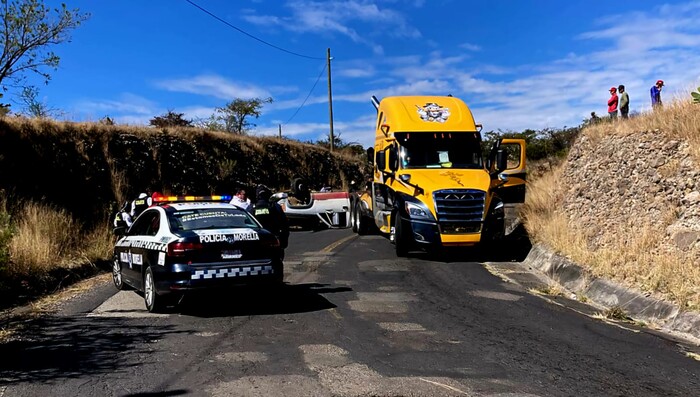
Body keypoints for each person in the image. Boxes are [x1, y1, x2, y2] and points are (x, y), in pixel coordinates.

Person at [251, 185, 290, 258]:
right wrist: (284, 242)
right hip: (273, 241)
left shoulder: (251, 208)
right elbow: (285, 225)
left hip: (256, 242)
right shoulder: (274, 206)